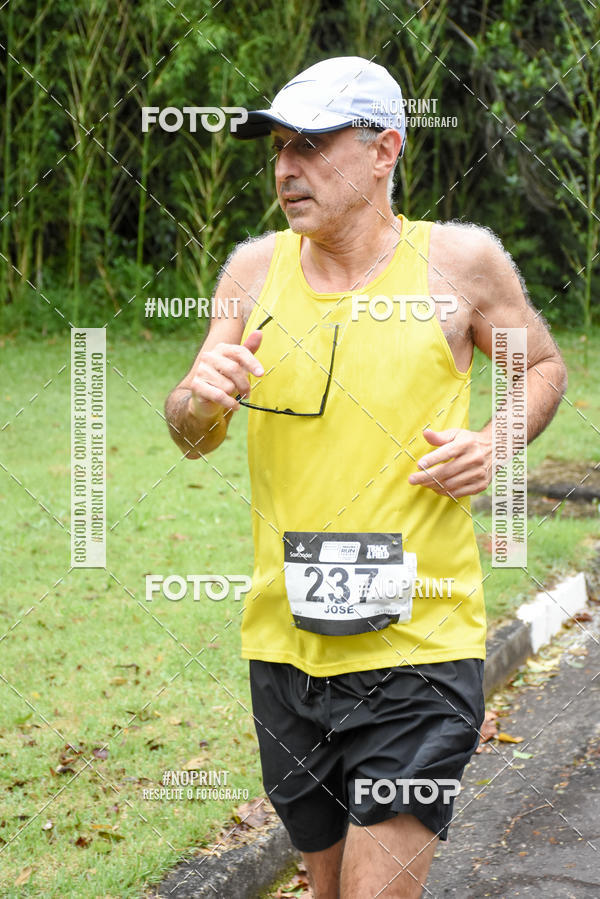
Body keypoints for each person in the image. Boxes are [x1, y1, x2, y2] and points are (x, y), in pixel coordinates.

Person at [165, 57, 567, 898]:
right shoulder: (251, 272)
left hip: (418, 651)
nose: (285, 166)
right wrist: (196, 402)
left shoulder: (459, 263)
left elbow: (540, 368)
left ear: (385, 150)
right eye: (279, 146)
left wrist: (494, 441)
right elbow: (193, 432)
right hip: (283, 649)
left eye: (312, 143)